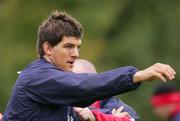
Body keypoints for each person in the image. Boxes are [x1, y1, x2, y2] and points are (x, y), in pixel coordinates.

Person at [2, 10, 175, 121]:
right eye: (68, 46)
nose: (76, 54)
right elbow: (84, 86)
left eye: (78, 47)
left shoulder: (59, 95)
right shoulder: (37, 76)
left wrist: (106, 118)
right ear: (47, 48)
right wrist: (135, 75)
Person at [72, 59, 140, 121]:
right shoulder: (65, 103)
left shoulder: (110, 102)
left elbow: (133, 119)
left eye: (80, 81)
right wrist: (112, 117)